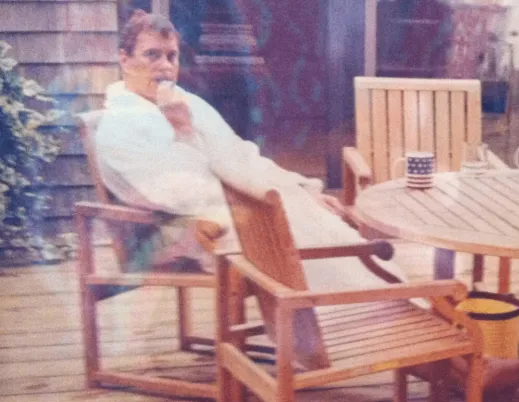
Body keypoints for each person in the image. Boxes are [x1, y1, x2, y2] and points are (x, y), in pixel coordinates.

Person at [96, 10, 401, 287]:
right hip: (184, 231)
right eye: (152, 55)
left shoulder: (186, 103)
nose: (164, 67)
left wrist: (299, 189)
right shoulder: (119, 125)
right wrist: (185, 134)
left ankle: (385, 306)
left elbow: (240, 157)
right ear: (124, 59)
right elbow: (175, 194)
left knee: (318, 216)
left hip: (229, 209)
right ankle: (328, 327)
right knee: (291, 228)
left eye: (171, 56)